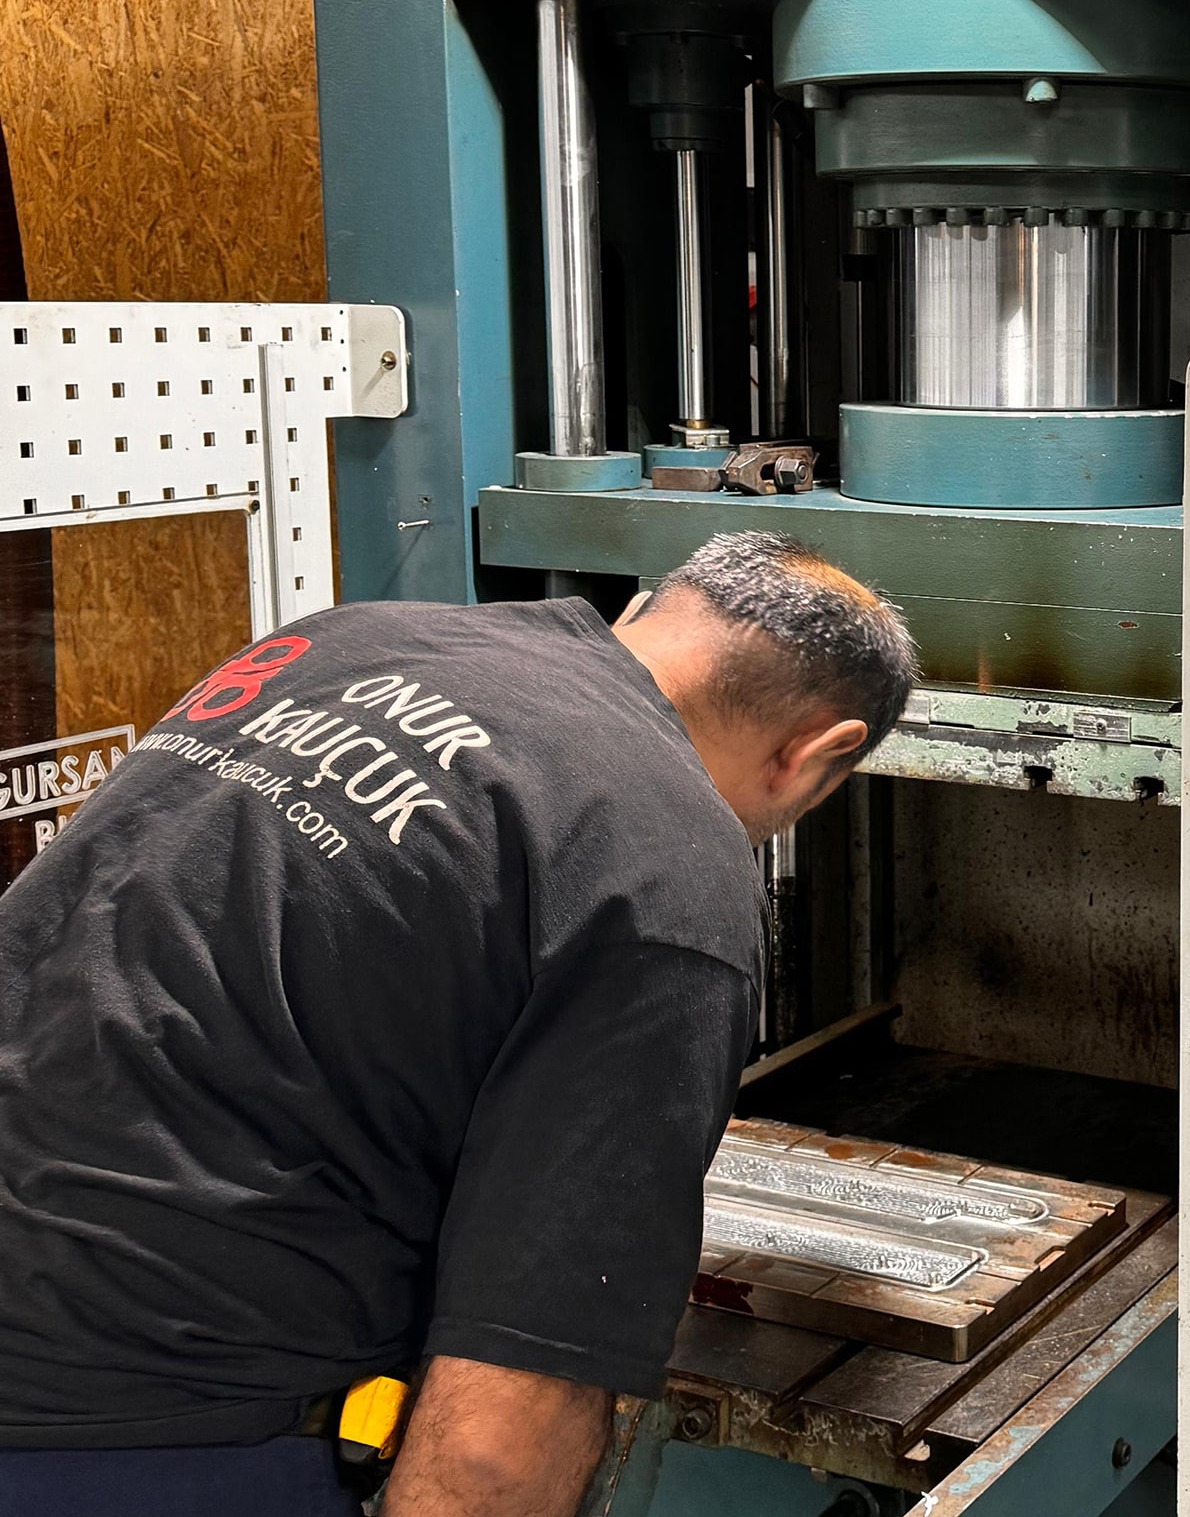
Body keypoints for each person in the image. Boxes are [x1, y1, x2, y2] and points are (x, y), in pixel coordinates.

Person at [0, 530, 918, 1517]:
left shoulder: (342, 642)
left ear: (637, 616)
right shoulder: (669, 868)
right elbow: (499, 1446)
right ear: (818, 753)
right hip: (146, 1431)